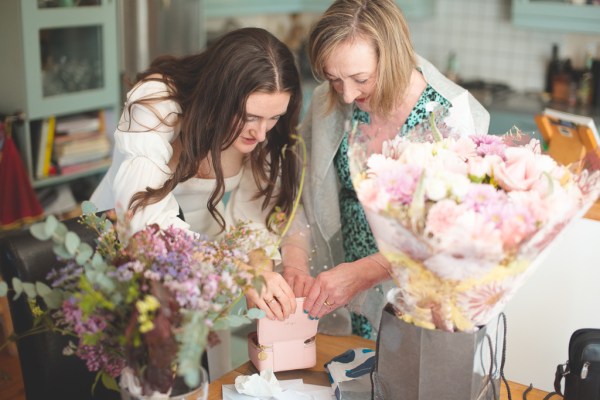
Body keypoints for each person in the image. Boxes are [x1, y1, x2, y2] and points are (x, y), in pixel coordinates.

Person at [281, 0, 490, 339]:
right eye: (334, 79)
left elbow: (452, 237)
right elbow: (298, 187)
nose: (346, 95)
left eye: (361, 78)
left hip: (414, 301)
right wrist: (295, 259)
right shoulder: (328, 101)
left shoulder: (449, 118)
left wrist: (365, 273)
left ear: (393, 59)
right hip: (341, 293)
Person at [90, 27, 304, 322]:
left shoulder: (264, 132)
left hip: (207, 270)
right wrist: (234, 269)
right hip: (124, 253)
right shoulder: (158, 102)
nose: (261, 132)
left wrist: (257, 271)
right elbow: (145, 224)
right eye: (250, 117)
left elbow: (254, 224)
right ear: (220, 95)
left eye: (274, 117)